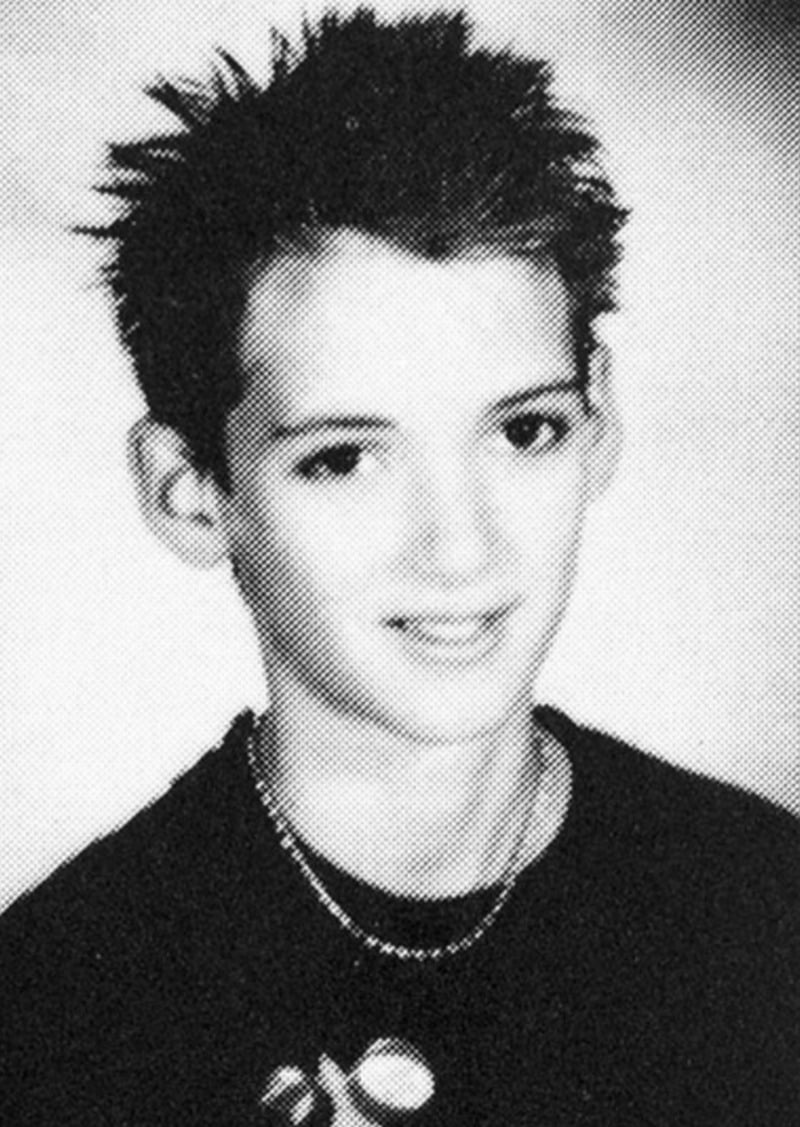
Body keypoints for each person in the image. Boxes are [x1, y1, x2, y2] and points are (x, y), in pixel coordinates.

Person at [0, 8, 796, 1125]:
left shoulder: (763, 911)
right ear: (190, 490)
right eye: (343, 458)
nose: (459, 547)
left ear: (598, 418)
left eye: (521, 431)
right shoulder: (54, 1012)